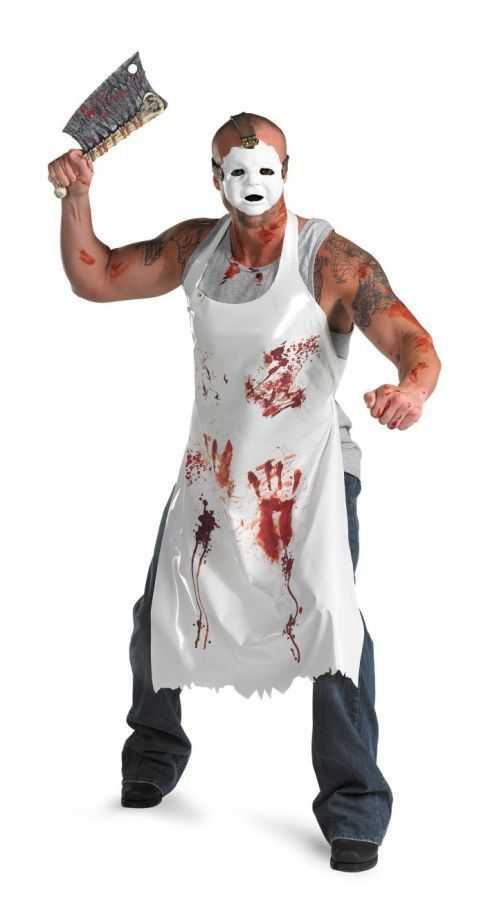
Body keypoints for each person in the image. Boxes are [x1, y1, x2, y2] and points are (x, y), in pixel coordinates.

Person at [48, 111, 441, 872]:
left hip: (309, 471)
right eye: (236, 168)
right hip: (215, 470)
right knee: (160, 609)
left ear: (287, 172)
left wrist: (412, 390)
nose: (253, 182)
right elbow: (94, 277)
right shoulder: (196, 250)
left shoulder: (330, 259)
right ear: (215, 177)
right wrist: (76, 197)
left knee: (331, 624)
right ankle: (154, 750)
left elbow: (413, 342)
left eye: (267, 169)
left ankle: (355, 803)